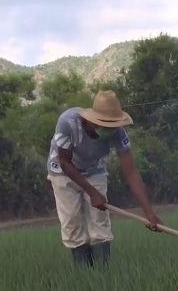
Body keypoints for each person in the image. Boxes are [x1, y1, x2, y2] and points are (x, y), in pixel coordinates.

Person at [46, 90, 162, 267]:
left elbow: (131, 172)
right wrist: (92, 193)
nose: (110, 130)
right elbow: (65, 162)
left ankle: (102, 272)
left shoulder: (118, 132)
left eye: (113, 126)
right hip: (63, 172)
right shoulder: (68, 123)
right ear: (92, 120)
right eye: (105, 125)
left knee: (100, 220)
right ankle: (83, 270)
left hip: (94, 170)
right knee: (71, 221)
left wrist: (149, 213)